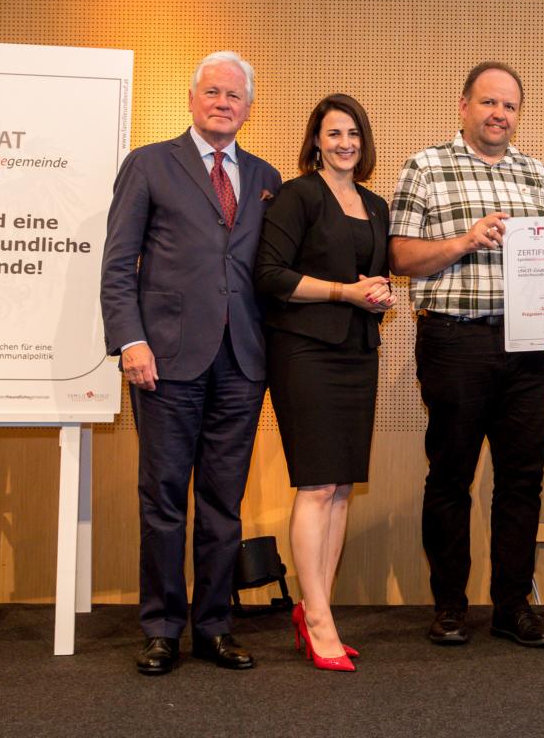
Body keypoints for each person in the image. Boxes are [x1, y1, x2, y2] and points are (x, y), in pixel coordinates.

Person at [100, 51, 282, 675]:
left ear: (249, 108)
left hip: (242, 361)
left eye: (235, 95)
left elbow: (270, 274)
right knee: (164, 501)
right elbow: (118, 263)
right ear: (192, 98)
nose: (223, 103)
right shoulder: (150, 164)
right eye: (213, 92)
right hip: (166, 359)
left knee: (223, 505)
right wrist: (130, 341)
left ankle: (213, 627)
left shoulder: (266, 177)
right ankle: (160, 629)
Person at [389, 61, 544, 648]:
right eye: (488, 103)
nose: (499, 114)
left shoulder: (538, 176)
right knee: (451, 476)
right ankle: (449, 607)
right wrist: (467, 239)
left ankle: (512, 606)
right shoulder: (426, 167)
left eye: (510, 106)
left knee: (521, 482)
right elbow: (400, 258)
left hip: (528, 348)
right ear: (463, 105)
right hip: (454, 340)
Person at [254, 94, 393, 673]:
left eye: (354, 133)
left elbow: (372, 277)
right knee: (314, 486)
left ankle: (318, 606)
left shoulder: (375, 204)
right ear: (315, 140)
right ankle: (317, 621)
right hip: (304, 353)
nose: (345, 143)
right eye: (334, 133)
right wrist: (344, 292)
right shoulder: (298, 194)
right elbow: (270, 274)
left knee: (340, 488)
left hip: (357, 353)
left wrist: (377, 293)